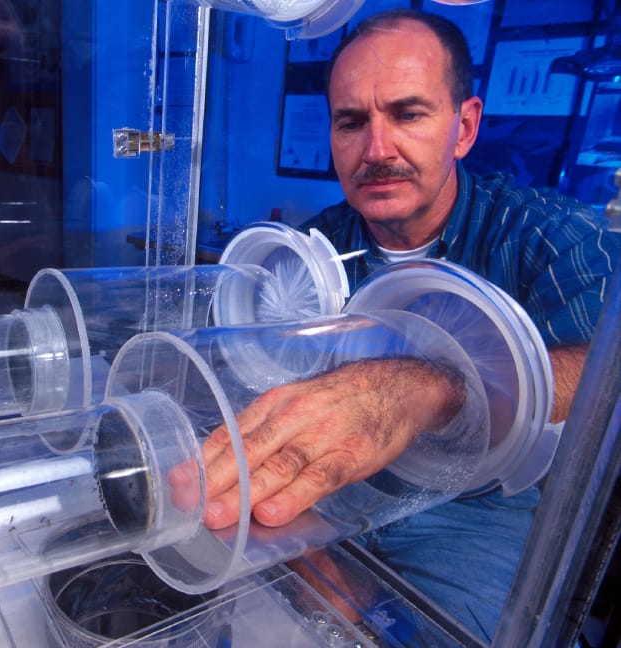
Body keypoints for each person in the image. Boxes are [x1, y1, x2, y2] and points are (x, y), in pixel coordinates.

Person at [197, 8, 621, 640]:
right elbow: (250, 367)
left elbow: (605, 370)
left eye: (408, 114)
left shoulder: (546, 235)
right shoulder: (315, 247)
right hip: (331, 486)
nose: (377, 150)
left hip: (473, 509)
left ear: (464, 127)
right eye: (351, 122)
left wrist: (434, 385)